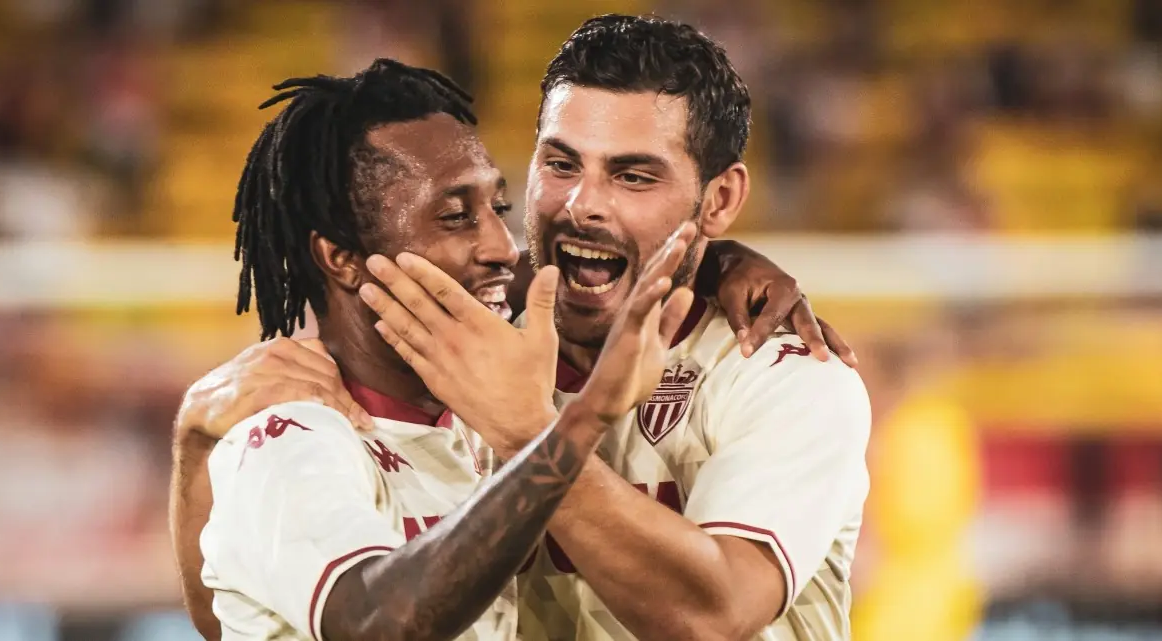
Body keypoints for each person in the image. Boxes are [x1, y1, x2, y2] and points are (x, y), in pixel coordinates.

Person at [170, 58, 846, 641]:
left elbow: (715, 615)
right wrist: (573, 423)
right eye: (560, 165)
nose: (503, 246)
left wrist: (711, 258)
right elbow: (372, 620)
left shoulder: (483, 396)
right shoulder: (298, 434)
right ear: (342, 258)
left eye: (496, 208)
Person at [357, 15, 870, 640]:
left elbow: (713, 617)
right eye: (561, 164)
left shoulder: (786, 379)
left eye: (633, 176)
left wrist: (531, 435)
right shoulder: (445, 350)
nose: (582, 204)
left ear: (720, 200)